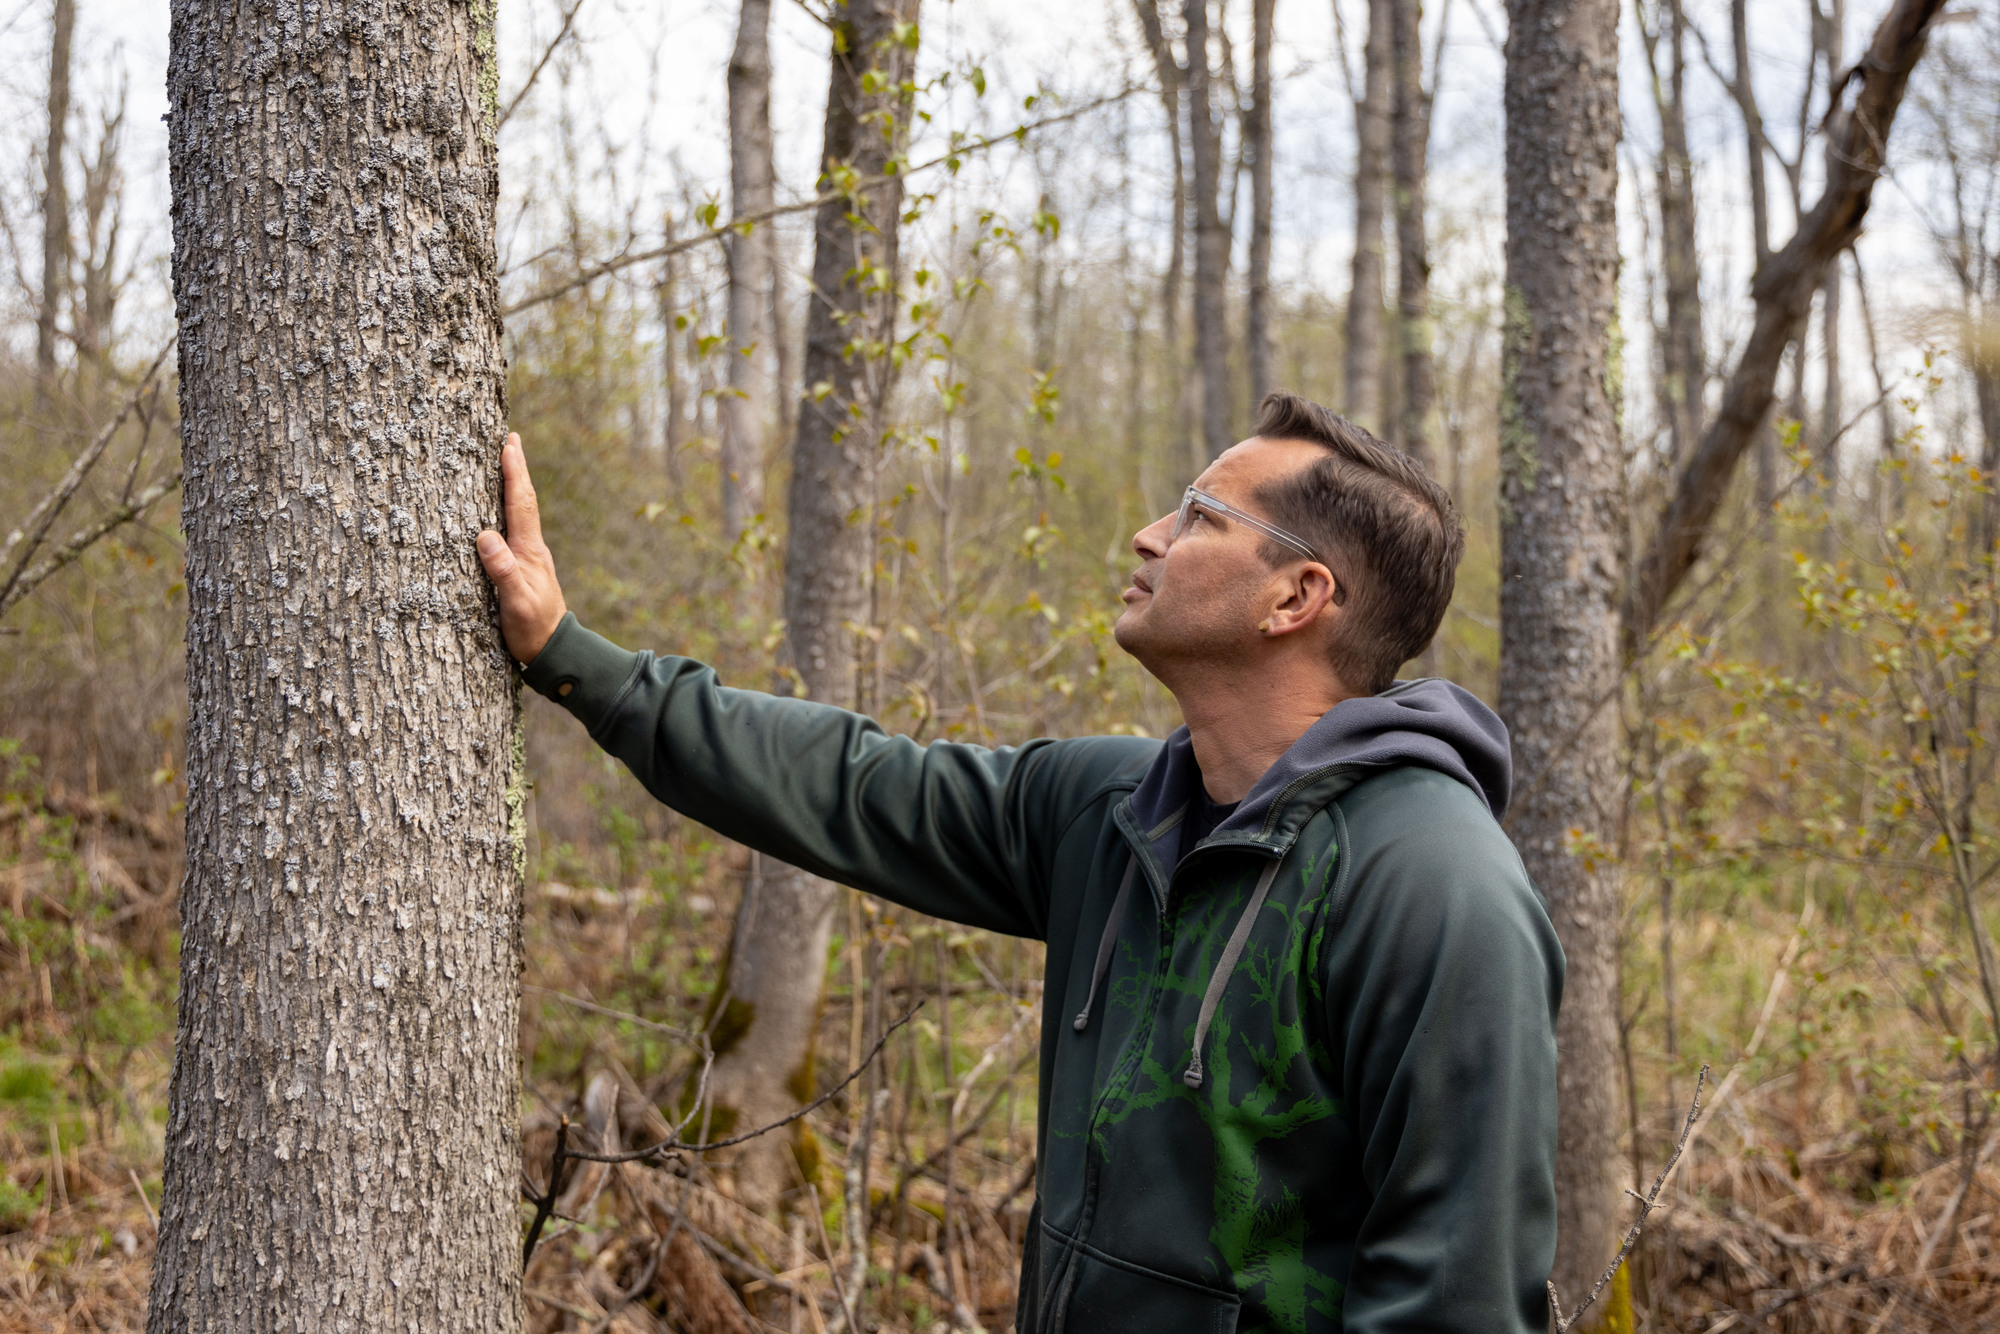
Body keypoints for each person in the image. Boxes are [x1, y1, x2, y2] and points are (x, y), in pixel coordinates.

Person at [477, 391, 1562, 1334]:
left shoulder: (1431, 884)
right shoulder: (1114, 811)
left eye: (1198, 516)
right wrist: (575, 660)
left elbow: (1456, 1295)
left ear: (1295, 596)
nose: (1148, 535)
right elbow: (850, 784)